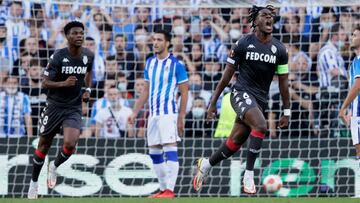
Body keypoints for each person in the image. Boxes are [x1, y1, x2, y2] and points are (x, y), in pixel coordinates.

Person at [193, 5, 290, 194]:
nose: (269, 19)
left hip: (260, 100)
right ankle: (249, 174)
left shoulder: (280, 49)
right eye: (264, 16)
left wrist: (286, 111)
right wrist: (213, 102)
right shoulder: (243, 43)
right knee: (261, 126)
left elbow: (284, 84)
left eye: (271, 17)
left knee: (234, 143)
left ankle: (206, 164)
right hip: (240, 93)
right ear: (255, 21)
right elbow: (227, 75)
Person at [27, 21, 94, 199]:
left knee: (70, 144)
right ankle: (34, 183)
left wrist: (87, 90)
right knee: (43, 146)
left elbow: (88, 74)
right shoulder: (58, 56)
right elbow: (45, 82)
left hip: (73, 107)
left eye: (81, 33)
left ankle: (54, 166)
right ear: (67, 36)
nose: (79, 36)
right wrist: (64, 83)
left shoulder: (88, 55)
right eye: (75, 33)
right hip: (54, 106)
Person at [129, 29, 188, 198]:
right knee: (154, 152)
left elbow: (185, 92)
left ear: (168, 43)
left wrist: (181, 116)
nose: (155, 42)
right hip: (153, 114)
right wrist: (135, 112)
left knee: (170, 148)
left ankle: (170, 190)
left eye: (159, 40)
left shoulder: (176, 64)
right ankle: (163, 189)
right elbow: (146, 90)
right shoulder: (150, 63)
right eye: (154, 39)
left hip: (168, 114)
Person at [339, 26, 360, 170]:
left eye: (355, 35)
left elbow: (358, 85)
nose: (351, 37)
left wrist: (344, 107)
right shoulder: (354, 61)